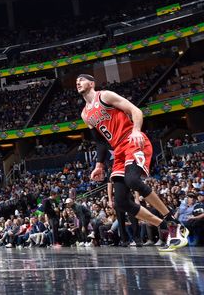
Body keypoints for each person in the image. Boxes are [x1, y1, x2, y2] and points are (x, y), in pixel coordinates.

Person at [77, 73, 188, 251]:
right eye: (76, 81)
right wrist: (99, 164)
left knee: (133, 181)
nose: (78, 82)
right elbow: (99, 141)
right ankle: (165, 227)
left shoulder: (105, 96)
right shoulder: (85, 114)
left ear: (92, 83)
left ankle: (172, 221)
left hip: (133, 140)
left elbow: (136, 111)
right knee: (120, 202)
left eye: (81, 80)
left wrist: (136, 130)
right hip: (118, 150)